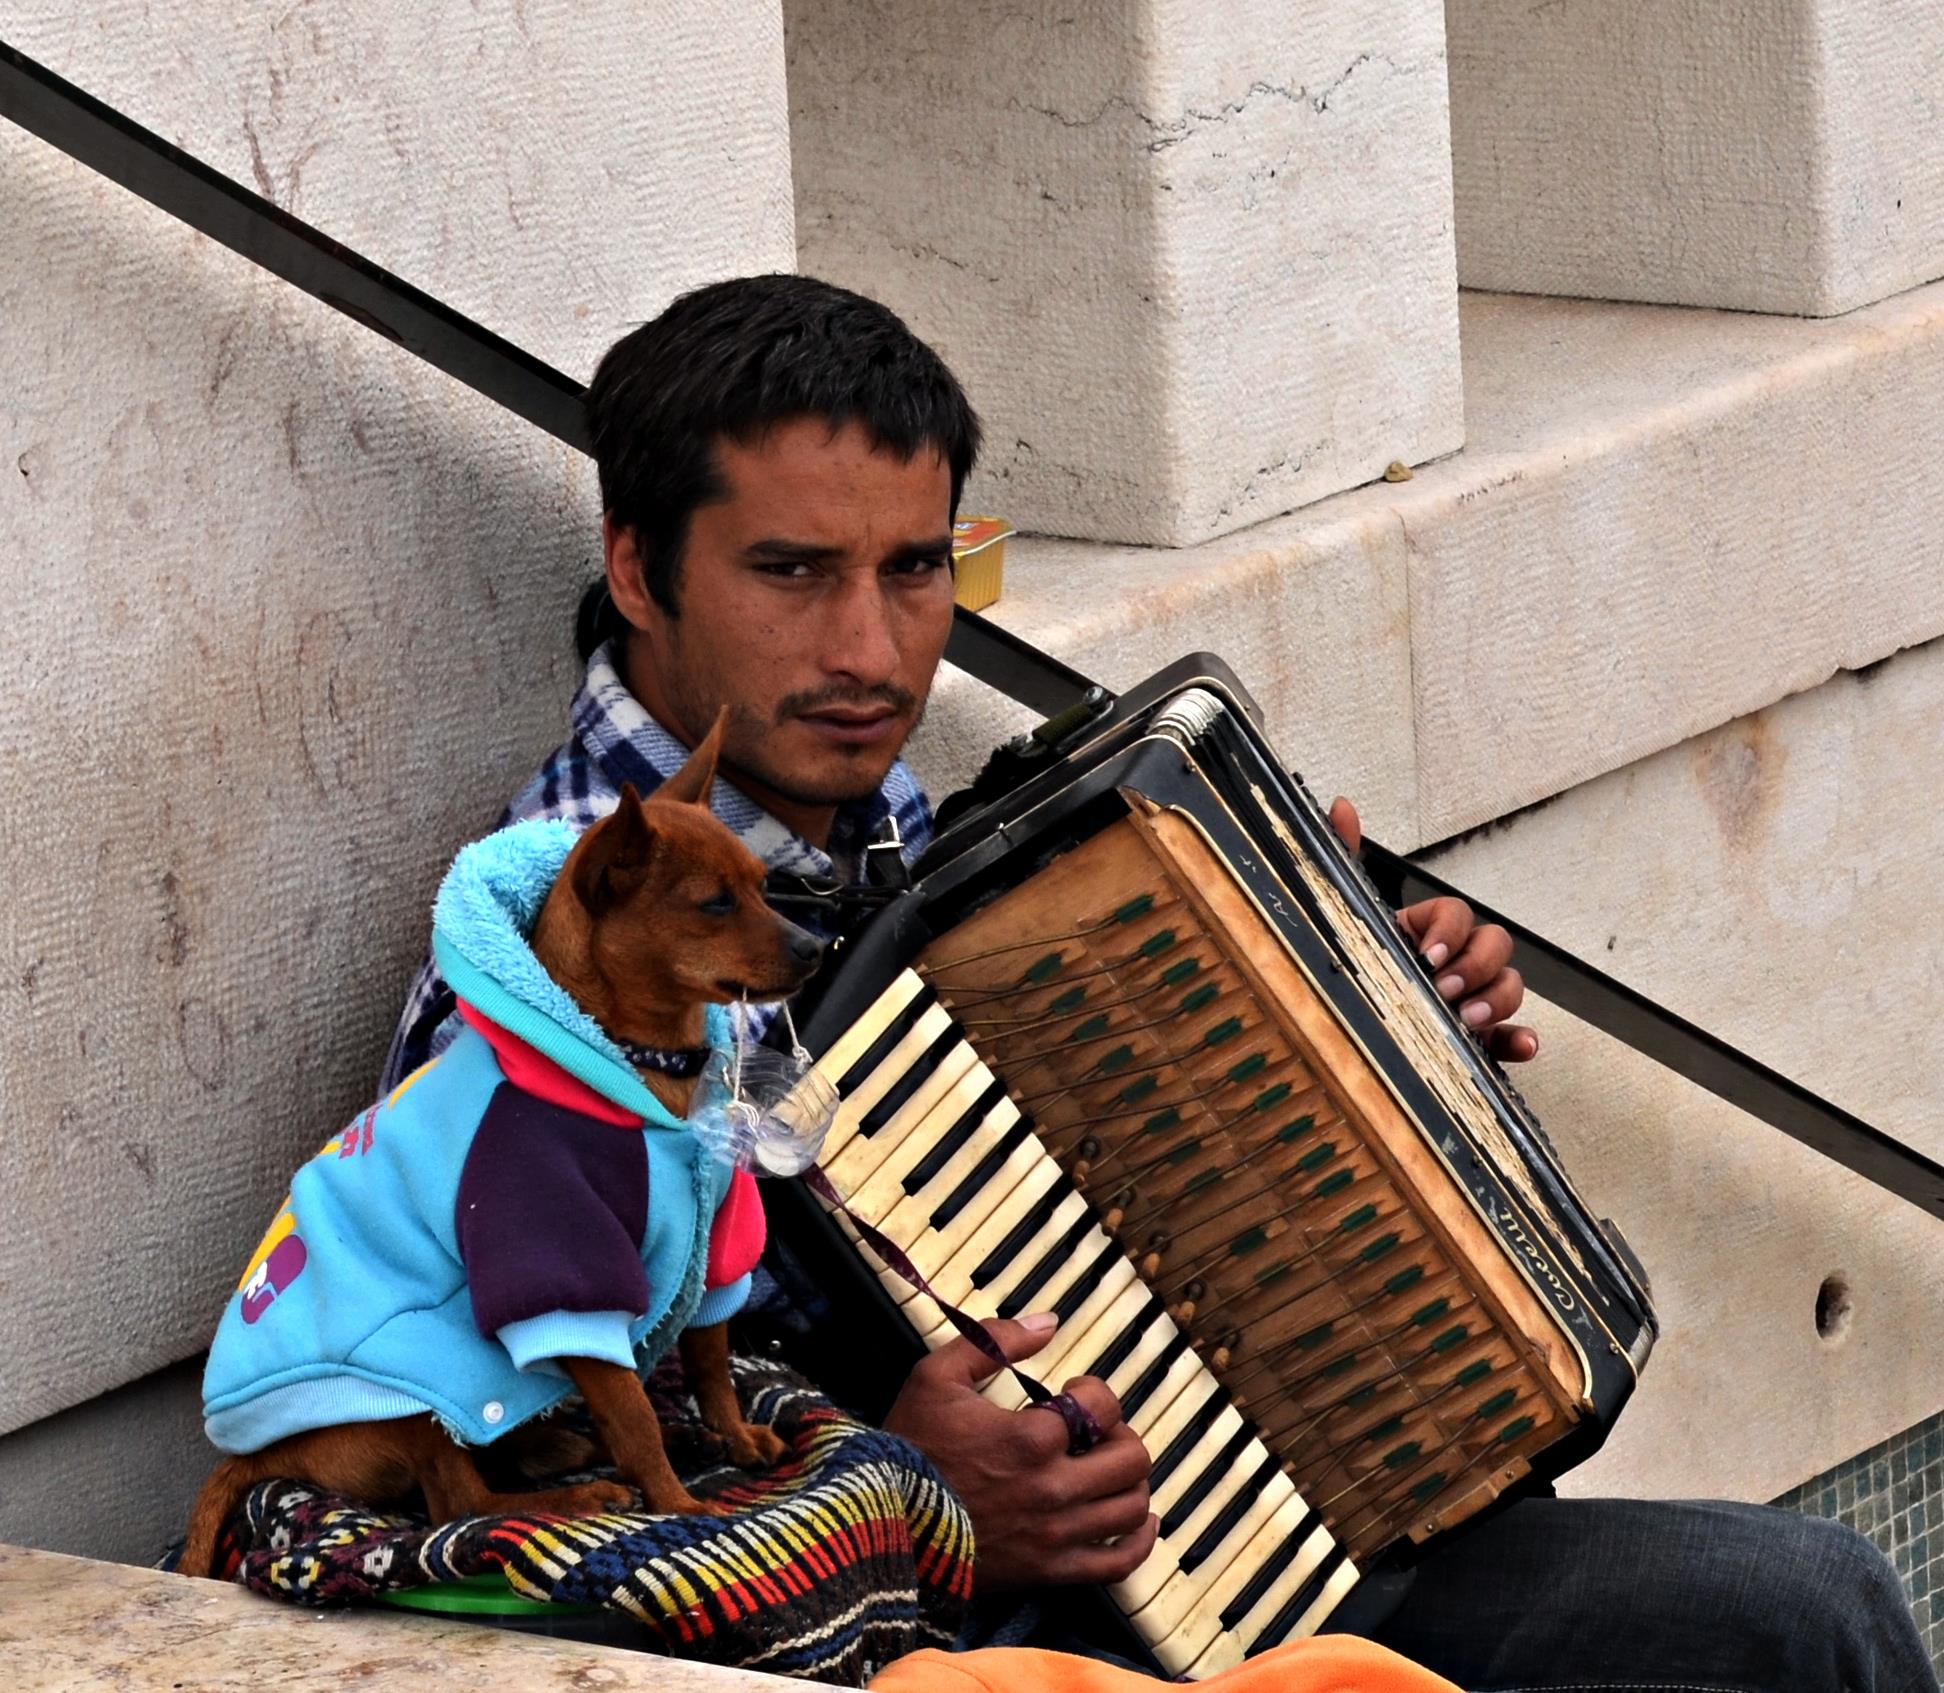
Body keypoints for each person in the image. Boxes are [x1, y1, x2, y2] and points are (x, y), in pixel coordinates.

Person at [383, 274, 1935, 1693]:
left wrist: (1375, 1020)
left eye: (918, 571)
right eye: (792, 571)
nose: (870, 646)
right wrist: (900, 1483)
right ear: (640, 571)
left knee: (1802, 1610)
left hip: (1273, 1537)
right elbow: (505, 1451)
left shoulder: (912, 832)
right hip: (942, 1634)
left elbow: (1153, 1184)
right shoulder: (543, 950)